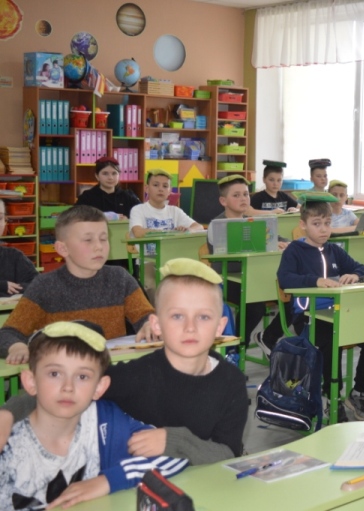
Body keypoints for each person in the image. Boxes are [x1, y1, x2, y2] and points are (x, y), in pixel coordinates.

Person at [0, 258, 249, 466]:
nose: (190, 327)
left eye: (203, 317)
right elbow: (66, 386)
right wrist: (8, 414)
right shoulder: (138, 375)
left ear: (220, 327)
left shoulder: (232, 382)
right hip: (130, 486)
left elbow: (228, 454)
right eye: (177, 316)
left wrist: (175, 441)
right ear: (156, 325)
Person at [0, 321, 188, 509]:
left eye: (82, 377)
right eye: (55, 373)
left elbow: (176, 453)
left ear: (99, 387)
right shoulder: (8, 440)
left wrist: (109, 480)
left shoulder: (108, 422)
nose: (68, 387)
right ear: (31, 381)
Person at [0, 205, 154, 364]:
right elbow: (8, 332)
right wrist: (17, 347)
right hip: (66, 373)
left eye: (103, 238)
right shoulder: (44, 286)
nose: (99, 246)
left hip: (112, 369)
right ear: (62, 248)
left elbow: (146, 316)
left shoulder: (120, 278)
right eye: (88, 240)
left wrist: (149, 324)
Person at [277, 198, 364, 422]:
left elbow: (362, 268)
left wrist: (356, 275)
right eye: (317, 224)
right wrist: (315, 281)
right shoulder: (295, 250)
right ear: (303, 225)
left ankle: (359, 391)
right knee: (331, 340)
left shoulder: (334, 250)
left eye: (327, 223)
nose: (324, 229)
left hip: (338, 311)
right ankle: (332, 396)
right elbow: (284, 279)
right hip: (308, 316)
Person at [207, 175, 290, 354]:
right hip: (228, 281)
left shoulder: (255, 222)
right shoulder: (217, 225)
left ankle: (268, 337)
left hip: (255, 278)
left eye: (245, 194)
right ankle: (236, 347)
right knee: (254, 305)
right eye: (236, 195)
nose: (243, 199)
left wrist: (286, 243)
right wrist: (266, 245)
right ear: (223, 201)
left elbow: (280, 238)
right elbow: (233, 253)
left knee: (293, 297)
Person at [129, 168, 201, 238]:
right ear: (147, 188)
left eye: (165, 186)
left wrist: (187, 231)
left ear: (170, 191)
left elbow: (199, 227)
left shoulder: (175, 211)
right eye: (156, 185)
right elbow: (138, 232)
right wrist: (166, 232)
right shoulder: (138, 210)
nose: (161, 189)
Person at [76, 156, 141, 218]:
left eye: (114, 173)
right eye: (105, 173)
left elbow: (142, 214)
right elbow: (75, 216)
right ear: (97, 176)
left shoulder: (128, 197)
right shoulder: (87, 197)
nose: (110, 178)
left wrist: (129, 219)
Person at [0, 199, 39, 297]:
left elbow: (37, 285)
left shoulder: (14, 256)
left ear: (5, 222)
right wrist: (3, 286)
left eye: (0, 217)